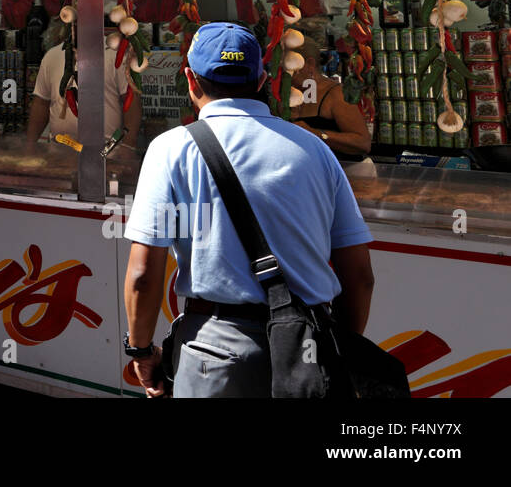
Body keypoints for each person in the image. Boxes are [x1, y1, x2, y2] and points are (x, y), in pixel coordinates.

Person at [121, 22, 376, 398]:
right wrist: (341, 350)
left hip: (214, 353)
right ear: (261, 80)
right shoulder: (315, 150)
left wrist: (141, 351)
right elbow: (360, 276)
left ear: (191, 80)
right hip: (310, 351)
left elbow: (143, 275)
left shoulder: (171, 149)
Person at [25, 31, 142, 163]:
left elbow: (132, 102)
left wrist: (128, 145)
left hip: (106, 153)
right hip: (59, 153)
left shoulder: (116, 53)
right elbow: (41, 102)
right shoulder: (53, 55)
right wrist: (30, 145)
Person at [286, 20, 373, 172]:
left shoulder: (335, 94)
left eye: (290, 65)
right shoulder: (289, 93)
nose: (285, 72)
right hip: (316, 174)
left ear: (310, 64)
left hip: (350, 173)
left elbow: (363, 143)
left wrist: (318, 134)